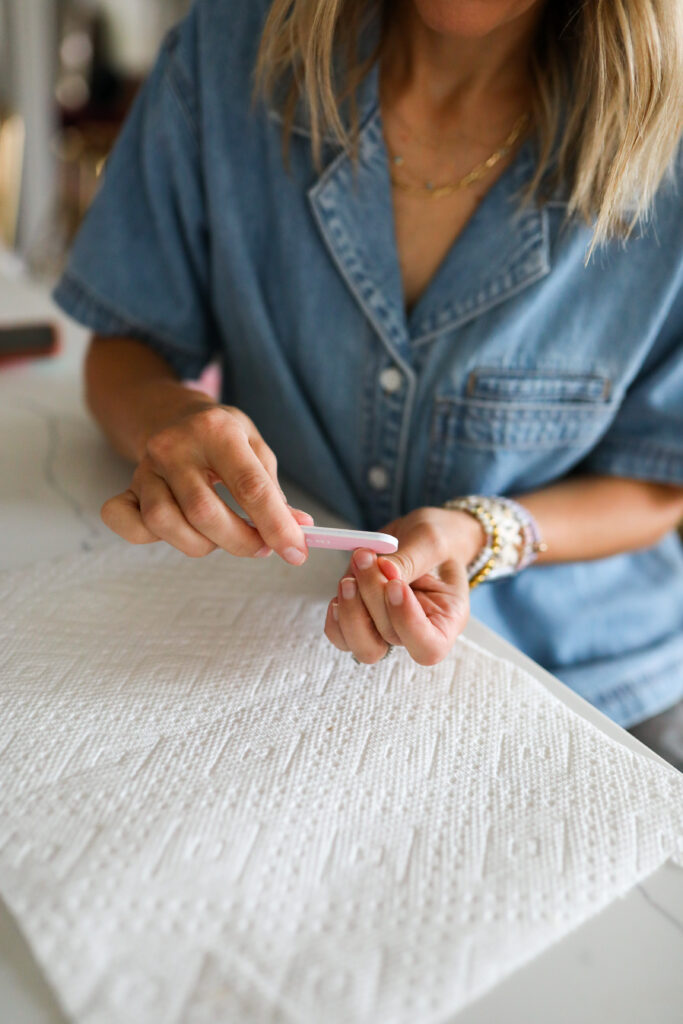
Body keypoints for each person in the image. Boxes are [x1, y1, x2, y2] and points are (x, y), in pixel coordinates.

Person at [52, 0, 683, 757]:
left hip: (598, 686)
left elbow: (657, 483)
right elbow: (126, 346)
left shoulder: (667, 139)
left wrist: (482, 533)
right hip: (273, 654)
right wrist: (171, 418)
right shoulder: (227, 53)